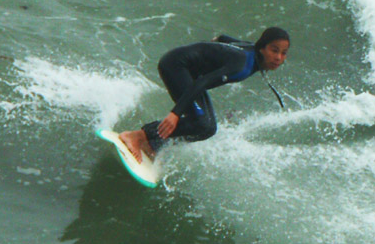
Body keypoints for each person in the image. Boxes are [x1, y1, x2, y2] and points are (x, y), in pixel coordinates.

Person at [120, 27, 290, 163]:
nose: (278, 58)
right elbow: (202, 83)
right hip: (176, 66)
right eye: (274, 51)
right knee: (201, 123)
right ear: (262, 48)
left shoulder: (251, 51)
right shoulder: (243, 65)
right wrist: (175, 114)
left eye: (283, 53)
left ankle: (153, 144)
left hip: (190, 73)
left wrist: (212, 50)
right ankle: (137, 136)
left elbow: (223, 38)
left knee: (208, 128)